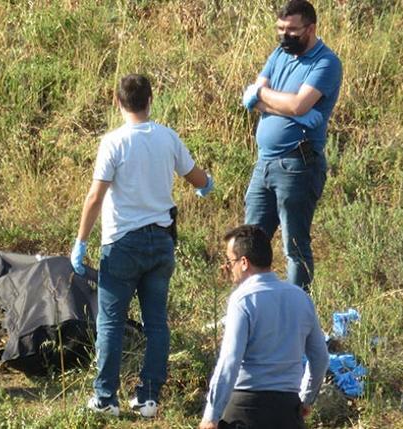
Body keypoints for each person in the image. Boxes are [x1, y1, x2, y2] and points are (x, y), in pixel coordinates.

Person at [71, 74, 214, 418]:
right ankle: (148, 397)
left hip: (122, 242)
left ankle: (106, 398)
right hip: (161, 241)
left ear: (117, 102)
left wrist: (81, 242)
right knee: (156, 323)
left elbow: (95, 196)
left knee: (110, 322)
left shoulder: (114, 142)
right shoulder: (167, 137)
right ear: (152, 100)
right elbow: (197, 178)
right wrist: (206, 185)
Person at [241, 0, 342, 290]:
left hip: (298, 163)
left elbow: (298, 104)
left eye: (292, 30)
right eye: (281, 29)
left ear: (311, 28)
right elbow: (258, 93)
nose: (285, 36)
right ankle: (252, 305)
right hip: (265, 163)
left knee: (294, 246)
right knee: (250, 241)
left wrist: (264, 97)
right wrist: (280, 101)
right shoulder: (279, 53)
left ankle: (298, 314)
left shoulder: (326, 63)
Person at [199, 225, 328, 429]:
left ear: (243, 262)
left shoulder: (243, 300)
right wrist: (306, 399)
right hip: (288, 410)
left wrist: (212, 415)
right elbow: (320, 357)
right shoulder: (301, 298)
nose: (228, 269)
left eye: (229, 262)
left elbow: (230, 361)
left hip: (246, 409)